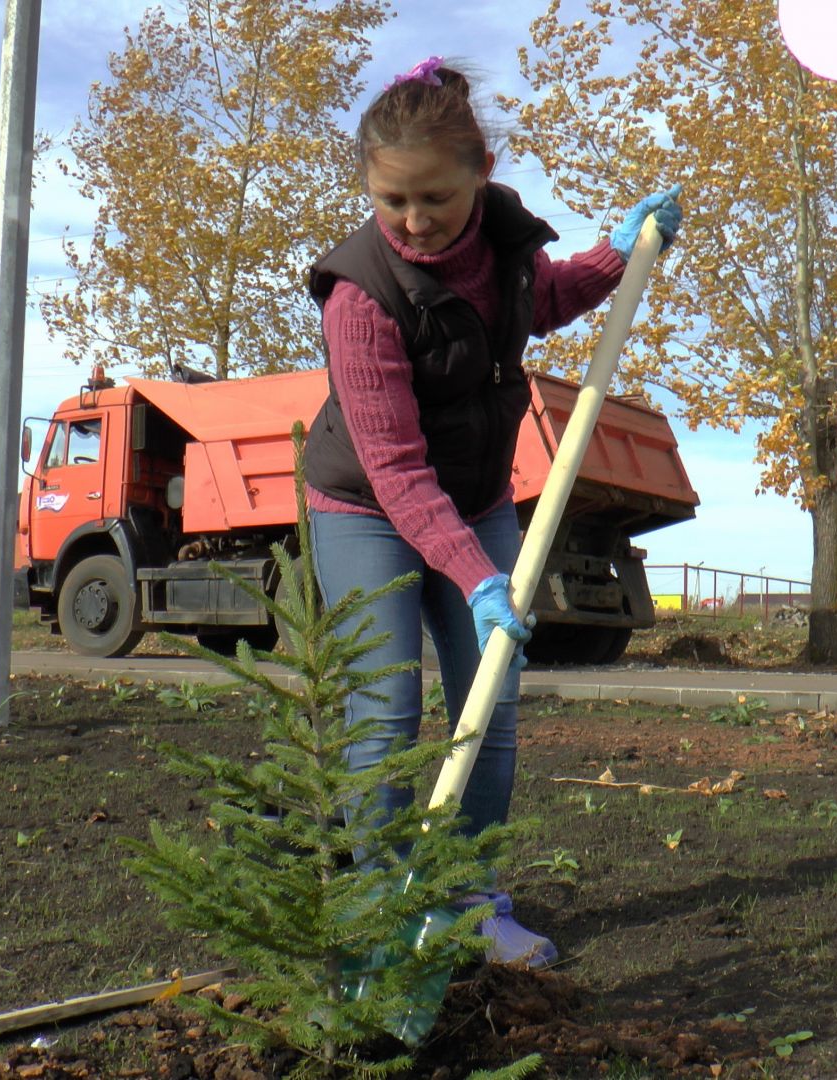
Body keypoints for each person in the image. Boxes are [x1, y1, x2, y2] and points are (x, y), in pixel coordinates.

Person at [302, 55, 682, 969]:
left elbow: (537, 300)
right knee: (387, 710)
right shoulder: (360, 297)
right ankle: (379, 907)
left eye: (434, 197)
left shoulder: (501, 243)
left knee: (490, 708)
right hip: (363, 505)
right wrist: (476, 576)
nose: (414, 221)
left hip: (473, 498)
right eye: (392, 202)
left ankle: (468, 899)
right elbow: (394, 468)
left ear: (481, 170)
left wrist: (615, 253)